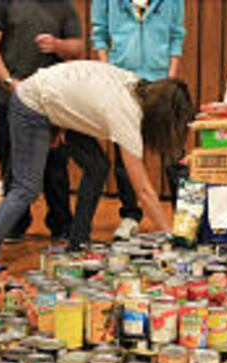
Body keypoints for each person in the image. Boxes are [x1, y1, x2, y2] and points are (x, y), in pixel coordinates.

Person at [0, 61, 194, 268]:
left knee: (97, 166)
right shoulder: (127, 114)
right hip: (32, 104)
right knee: (26, 187)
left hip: (54, 103)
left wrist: (61, 120)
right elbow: (144, 192)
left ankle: (77, 244)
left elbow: (83, 91)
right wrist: (170, 236)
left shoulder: (136, 85)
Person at [0, 0, 85, 243]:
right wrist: (9, 82)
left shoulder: (63, 6)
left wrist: (58, 45)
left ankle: (61, 225)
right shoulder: (0, 4)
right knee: (12, 164)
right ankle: (15, 225)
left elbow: (77, 47)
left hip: (51, 100)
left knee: (56, 165)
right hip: (11, 98)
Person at [91, 0, 186, 241]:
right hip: (122, 81)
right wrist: (108, 73)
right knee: (126, 154)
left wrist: (170, 79)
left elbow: (177, 35)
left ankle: (184, 215)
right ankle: (130, 216)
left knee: (174, 152)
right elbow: (99, 34)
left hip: (160, 81)